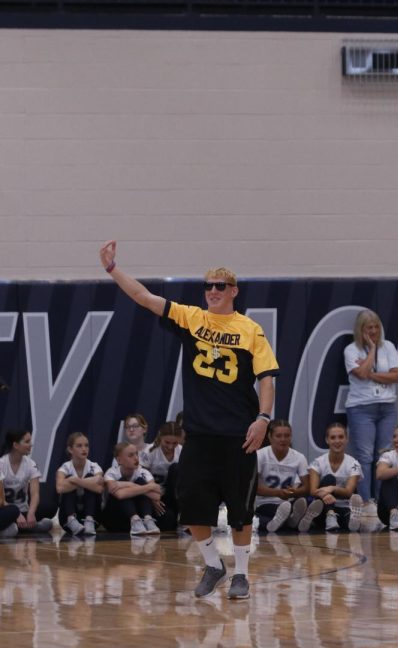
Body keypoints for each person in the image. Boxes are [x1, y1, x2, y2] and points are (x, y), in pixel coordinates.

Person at [99, 240, 278, 600]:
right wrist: (112, 269)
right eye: (208, 286)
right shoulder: (191, 318)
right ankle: (214, 564)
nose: (213, 291)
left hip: (238, 433)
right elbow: (145, 298)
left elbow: (267, 378)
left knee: (242, 511)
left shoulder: (250, 329)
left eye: (220, 286)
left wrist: (263, 417)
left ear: (233, 291)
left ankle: (241, 574)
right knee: (193, 506)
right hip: (198, 433)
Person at [344, 309, 398, 513]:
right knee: (365, 456)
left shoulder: (389, 347)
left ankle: (383, 501)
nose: (374, 331)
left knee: (385, 455)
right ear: (361, 330)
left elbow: (396, 376)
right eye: (369, 328)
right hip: (361, 407)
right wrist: (370, 350)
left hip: (386, 406)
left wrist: (372, 373)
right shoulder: (351, 350)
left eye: (377, 326)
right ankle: (367, 502)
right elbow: (360, 373)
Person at [255, 419, 314, 533]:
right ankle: (292, 520)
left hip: (288, 501)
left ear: (291, 437)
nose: (283, 439)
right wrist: (278, 493)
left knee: (293, 505)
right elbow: (254, 488)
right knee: (274, 513)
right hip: (266, 503)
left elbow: (307, 487)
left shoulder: (299, 457)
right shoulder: (260, 455)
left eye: (287, 436)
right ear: (270, 437)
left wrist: (295, 492)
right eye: (279, 436)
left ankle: (284, 521)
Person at [307, 423, 364, 532]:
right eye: (333, 437)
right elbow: (313, 491)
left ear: (346, 439)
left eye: (341, 437)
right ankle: (330, 514)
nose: (337, 441)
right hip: (322, 509)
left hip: (343, 507)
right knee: (329, 478)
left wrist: (333, 489)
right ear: (327, 440)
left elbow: (348, 492)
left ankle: (351, 518)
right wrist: (326, 494)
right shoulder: (318, 462)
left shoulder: (353, 463)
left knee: (350, 523)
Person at [100, 442, 162, 535]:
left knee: (140, 481)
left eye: (136, 454)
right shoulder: (112, 472)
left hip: (139, 521)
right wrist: (147, 487)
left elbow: (156, 496)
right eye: (130, 455)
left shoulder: (142, 472)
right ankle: (135, 519)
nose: (136, 458)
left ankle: (148, 519)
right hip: (115, 518)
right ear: (119, 460)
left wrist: (124, 485)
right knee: (126, 483)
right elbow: (120, 495)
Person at [0, 429, 54, 535]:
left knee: (50, 507)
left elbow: (35, 494)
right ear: (15, 445)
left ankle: (23, 525)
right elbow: (1, 500)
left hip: (23, 509)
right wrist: (17, 514)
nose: (31, 444)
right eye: (27, 442)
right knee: (13, 510)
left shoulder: (31, 464)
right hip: (5, 509)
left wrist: (31, 512)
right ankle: (29, 527)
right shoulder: (2, 464)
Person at [55, 432, 104, 536]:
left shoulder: (94, 466)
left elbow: (99, 488)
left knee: (86, 476)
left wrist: (76, 480)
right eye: (79, 446)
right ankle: (71, 519)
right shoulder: (65, 467)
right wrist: (90, 481)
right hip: (67, 520)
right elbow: (60, 488)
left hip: (94, 517)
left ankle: (89, 519)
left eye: (86, 445)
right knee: (71, 479)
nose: (84, 449)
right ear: (70, 449)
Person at [146, 421, 183, 531]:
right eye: (167, 442)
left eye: (175, 443)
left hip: (173, 497)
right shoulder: (149, 452)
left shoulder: (182, 451)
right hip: (152, 496)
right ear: (160, 436)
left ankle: (183, 515)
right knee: (167, 523)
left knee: (176, 468)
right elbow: (140, 479)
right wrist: (152, 498)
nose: (170, 447)